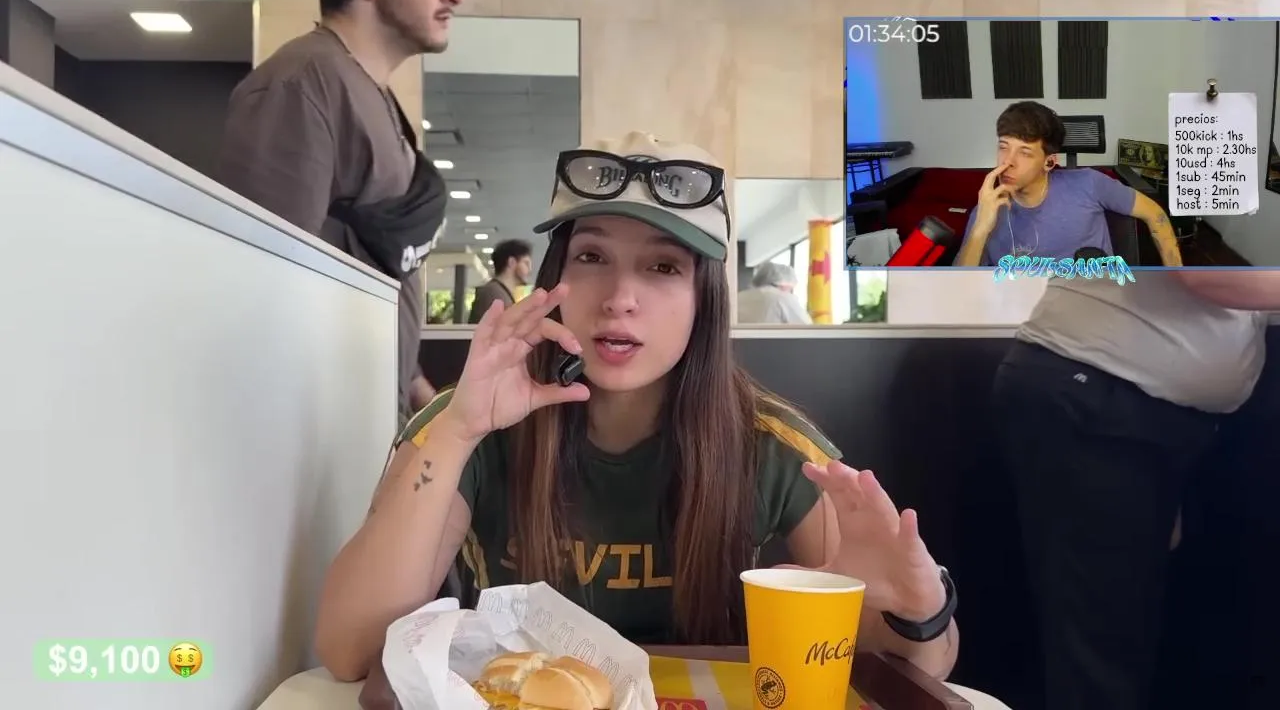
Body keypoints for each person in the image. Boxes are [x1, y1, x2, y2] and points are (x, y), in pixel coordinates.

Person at [315, 131, 960, 683]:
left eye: (663, 268)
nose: (620, 297)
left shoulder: (771, 446)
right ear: (554, 279)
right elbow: (350, 651)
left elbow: (923, 666)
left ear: (705, 300)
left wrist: (918, 609)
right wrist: (458, 432)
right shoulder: (467, 424)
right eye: (592, 256)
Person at [990, 271, 1276, 710]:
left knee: (1124, 639)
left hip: (1135, 405)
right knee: (1102, 653)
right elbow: (1205, 272)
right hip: (1097, 393)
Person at [216, 0, 465, 423]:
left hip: (374, 423)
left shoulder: (370, 92)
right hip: (319, 430)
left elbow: (377, 263)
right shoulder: (300, 86)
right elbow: (262, 300)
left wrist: (418, 393)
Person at [954, 101, 1183, 268]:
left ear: (1049, 162)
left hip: (1087, 307)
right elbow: (959, 288)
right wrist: (980, 228)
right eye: (1003, 147)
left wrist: (1176, 279)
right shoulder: (986, 210)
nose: (1008, 162)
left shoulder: (1089, 184)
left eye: (1025, 152)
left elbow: (1155, 214)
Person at [467, 239, 533, 323]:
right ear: (511, 262)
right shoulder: (493, 294)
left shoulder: (497, 291)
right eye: (526, 263)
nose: (530, 269)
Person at [736, 262, 813, 324]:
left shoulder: (738, 297)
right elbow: (807, 328)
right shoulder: (783, 298)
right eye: (790, 289)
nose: (790, 291)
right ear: (784, 284)